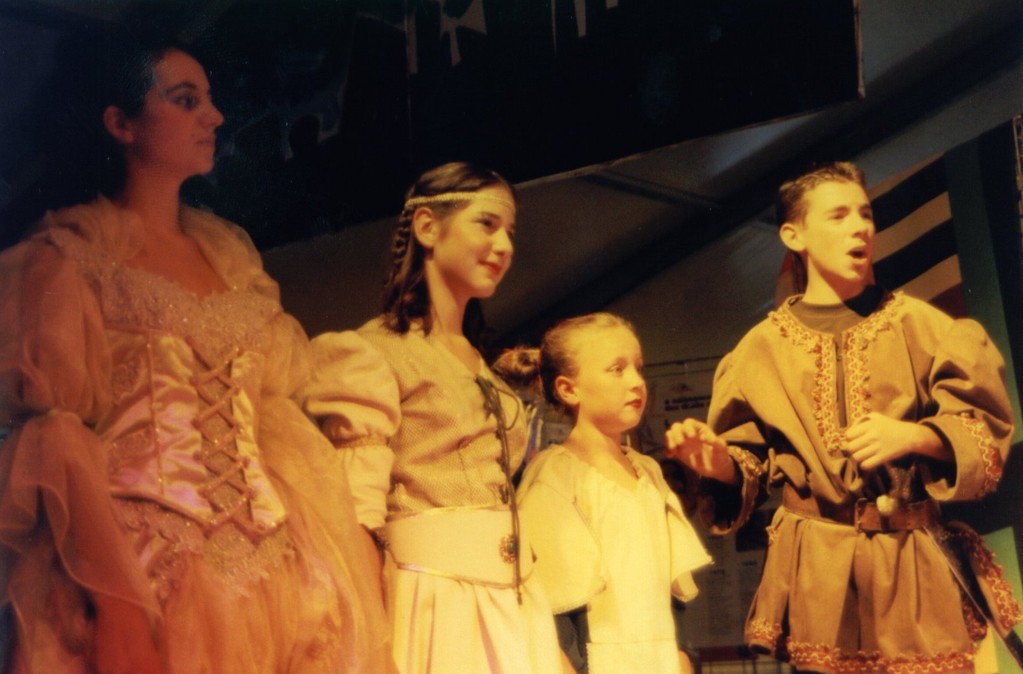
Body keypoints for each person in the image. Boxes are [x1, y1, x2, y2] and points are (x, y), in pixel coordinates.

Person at [0, 34, 392, 673]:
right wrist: (118, 605)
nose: (213, 116)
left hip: (274, 575)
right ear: (121, 123)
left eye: (209, 99)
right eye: (186, 100)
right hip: (141, 573)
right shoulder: (68, 262)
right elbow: (55, 438)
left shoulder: (233, 264)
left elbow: (276, 426)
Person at [665, 161, 1021, 673]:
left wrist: (916, 436)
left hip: (910, 564)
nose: (860, 228)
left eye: (865, 214)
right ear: (794, 235)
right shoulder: (758, 352)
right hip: (819, 576)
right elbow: (748, 465)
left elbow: (984, 433)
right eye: (838, 216)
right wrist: (719, 465)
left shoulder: (925, 328)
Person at [300, 161, 568, 673]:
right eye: (486, 223)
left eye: (510, 232)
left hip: (512, 600)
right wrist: (370, 635)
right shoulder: (372, 353)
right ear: (427, 226)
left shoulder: (480, 366)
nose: (504, 246)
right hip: (432, 600)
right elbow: (356, 515)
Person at [498, 312, 712, 674]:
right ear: (569, 389)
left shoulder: (648, 472)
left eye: (638, 369)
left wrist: (682, 655)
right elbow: (550, 600)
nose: (636, 382)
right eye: (617, 370)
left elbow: (669, 587)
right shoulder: (555, 476)